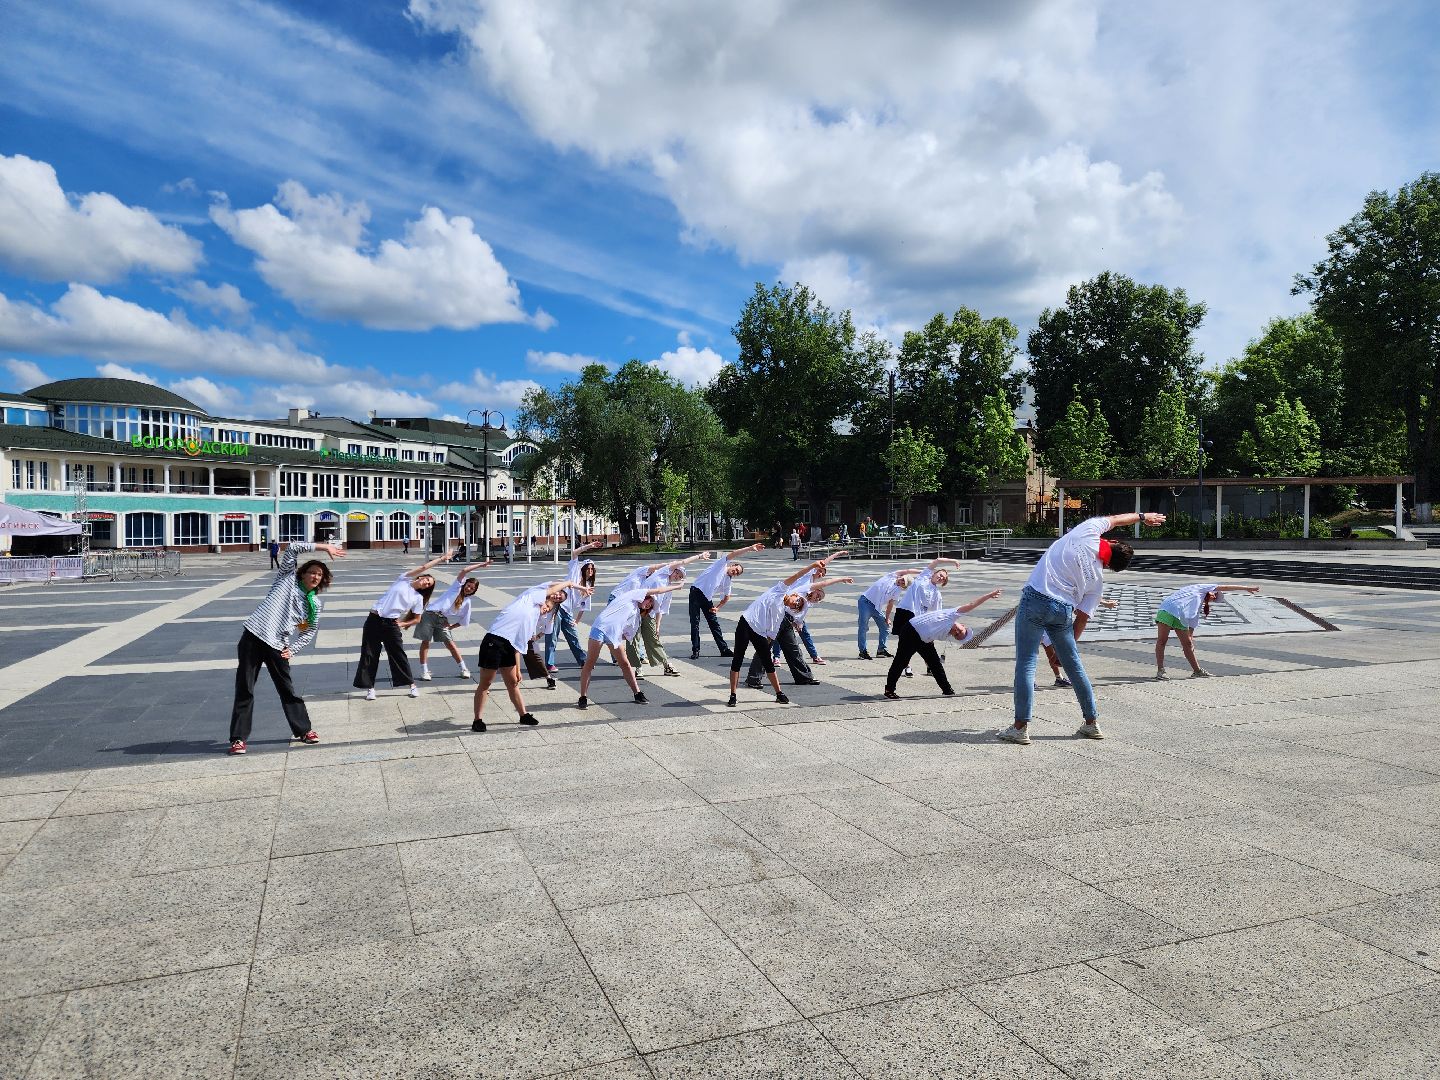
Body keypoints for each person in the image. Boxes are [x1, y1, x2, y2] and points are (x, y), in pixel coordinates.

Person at [999, 511, 1164, 746]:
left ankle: (1020, 727)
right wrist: (1063, 651)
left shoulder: (1087, 531)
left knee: (1026, 662)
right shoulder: (1097, 580)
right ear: (1111, 566)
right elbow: (1082, 618)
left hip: (1035, 599)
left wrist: (1143, 516)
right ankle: (1091, 722)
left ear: (1113, 541)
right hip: (1063, 611)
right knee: (1074, 666)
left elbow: (1116, 519)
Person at [228, 541, 345, 755]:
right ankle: (238, 739)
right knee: (245, 688)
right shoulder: (286, 580)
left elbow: (309, 631)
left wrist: (293, 649)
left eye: (320, 575)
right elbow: (292, 548)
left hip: (278, 646)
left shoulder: (314, 605)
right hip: (254, 637)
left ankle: (304, 730)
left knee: (287, 690)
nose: (315, 576)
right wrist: (324, 547)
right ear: (302, 573)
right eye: (312, 572)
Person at [472, 579, 590, 732]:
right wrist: (569, 584)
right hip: (494, 639)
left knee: (513, 683)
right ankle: (477, 720)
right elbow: (551, 587)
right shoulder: (531, 596)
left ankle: (523, 715)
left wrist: (519, 670)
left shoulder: (531, 622)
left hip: (509, 646)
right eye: (548, 604)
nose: (547, 609)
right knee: (486, 683)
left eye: (550, 609)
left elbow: (518, 647)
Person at [729, 560, 848, 706]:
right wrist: (830, 572)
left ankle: (791, 685)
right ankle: (744, 686)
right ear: (795, 595)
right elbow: (804, 575)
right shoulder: (785, 589)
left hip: (776, 624)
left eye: (797, 605)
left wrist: (795, 624)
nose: (796, 602)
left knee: (785, 651)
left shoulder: (797, 607)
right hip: (748, 622)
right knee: (743, 659)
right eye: (797, 601)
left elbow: (773, 630)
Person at [353, 553, 449, 701]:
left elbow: (417, 619)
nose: (426, 583)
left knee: (398, 655)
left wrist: (403, 624)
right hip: (374, 620)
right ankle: (370, 689)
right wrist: (442, 559)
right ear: (420, 577)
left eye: (429, 584)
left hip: (391, 624)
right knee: (369, 654)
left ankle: (412, 685)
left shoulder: (418, 598)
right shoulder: (403, 580)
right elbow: (424, 566)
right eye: (426, 579)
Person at [576, 582, 685, 709]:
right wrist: (676, 587)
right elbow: (659, 590)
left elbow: (628, 635)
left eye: (650, 606)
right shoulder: (632, 595)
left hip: (614, 635)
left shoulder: (636, 618)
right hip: (600, 628)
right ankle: (583, 697)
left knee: (625, 664)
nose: (648, 605)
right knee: (590, 663)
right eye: (649, 601)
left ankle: (637, 693)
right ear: (645, 596)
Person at [883, 590, 1003, 700]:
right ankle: (889, 690)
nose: (956, 632)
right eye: (960, 630)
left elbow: (932, 632)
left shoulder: (945, 635)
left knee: (935, 664)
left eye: (957, 635)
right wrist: (988, 596)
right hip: (911, 631)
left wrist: (929, 642)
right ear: (963, 625)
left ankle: (947, 690)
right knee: (901, 661)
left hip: (924, 639)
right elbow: (972, 604)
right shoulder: (953, 614)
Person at [631, 552, 716, 676]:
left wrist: (658, 626)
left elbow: (660, 609)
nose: (677, 576)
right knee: (634, 639)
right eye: (677, 573)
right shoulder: (663, 572)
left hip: (649, 614)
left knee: (654, 640)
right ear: (673, 570)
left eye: (680, 576)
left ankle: (666, 665)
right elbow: (682, 562)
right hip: (637, 608)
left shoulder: (669, 590)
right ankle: (638, 668)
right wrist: (699, 557)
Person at [1154, 583, 1260, 679]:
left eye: (1215, 598)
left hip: (1181, 616)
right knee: (1162, 640)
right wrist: (1247, 588)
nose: (1214, 596)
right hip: (1167, 609)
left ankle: (1197, 671)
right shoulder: (1200, 588)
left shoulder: (1197, 605)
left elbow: (1191, 625)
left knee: (1187, 644)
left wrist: (1190, 641)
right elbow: (1226, 587)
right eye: (1214, 593)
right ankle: (1161, 670)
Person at [416, 559, 491, 680]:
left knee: (450, 644)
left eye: (472, 588)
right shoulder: (456, 587)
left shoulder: (467, 602)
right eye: (468, 586)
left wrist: (451, 626)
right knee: (426, 643)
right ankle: (424, 671)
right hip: (429, 614)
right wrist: (481, 565)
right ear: (465, 584)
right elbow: (464, 571)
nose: (468, 589)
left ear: (474, 591)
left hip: (441, 619)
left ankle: (464, 668)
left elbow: (464, 619)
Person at [689, 543, 765, 658]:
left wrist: (718, 607)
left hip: (707, 598)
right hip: (696, 593)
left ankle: (724, 650)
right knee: (695, 623)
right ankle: (696, 650)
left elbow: (727, 597)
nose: (735, 572)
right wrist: (750, 548)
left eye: (737, 573)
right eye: (735, 569)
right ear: (732, 565)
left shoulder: (728, 580)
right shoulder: (721, 565)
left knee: (714, 624)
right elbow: (734, 553)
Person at [892, 558, 963, 677]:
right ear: (934, 573)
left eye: (943, 579)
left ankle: (930, 666)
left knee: (925, 643)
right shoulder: (924, 576)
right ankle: (907, 666)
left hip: (917, 618)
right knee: (903, 644)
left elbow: (938, 613)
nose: (941, 578)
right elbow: (937, 560)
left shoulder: (936, 594)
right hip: (904, 611)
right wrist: (953, 561)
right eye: (940, 575)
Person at [546, 540, 604, 670]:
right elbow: (574, 553)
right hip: (558, 606)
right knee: (553, 636)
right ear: (583, 569)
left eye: (592, 569)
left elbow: (583, 606)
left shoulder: (588, 586)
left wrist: (576, 622)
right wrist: (589, 546)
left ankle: (583, 661)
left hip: (568, 612)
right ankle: (549, 663)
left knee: (573, 637)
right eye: (588, 569)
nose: (590, 571)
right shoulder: (575, 572)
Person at [1038, 597, 1117, 687]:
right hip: (1041, 617)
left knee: (1049, 649)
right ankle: (1035, 680)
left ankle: (1059, 678)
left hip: (1050, 619)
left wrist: (1105, 603)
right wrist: (1105, 603)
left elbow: (1087, 596)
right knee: (1034, 651)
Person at [856, 567, 925, 660]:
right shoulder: (891, 576)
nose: (901, 582)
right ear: (901, 576)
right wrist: (924, 571)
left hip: (877, 608)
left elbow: (890, 605)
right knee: (863, 626)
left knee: (885, 627)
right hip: (865, 602)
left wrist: (887, 618)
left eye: (903, 583)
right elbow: (908, 570)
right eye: (902, 579)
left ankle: (881, 650)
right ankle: (862, 651)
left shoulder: (897, 591)